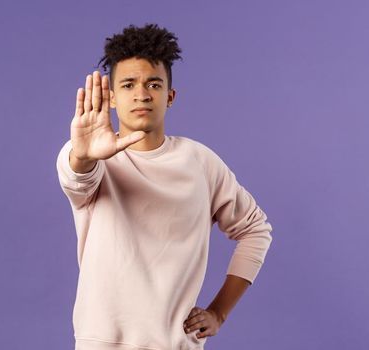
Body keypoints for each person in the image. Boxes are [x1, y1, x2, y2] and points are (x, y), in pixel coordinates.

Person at [56, 23, 273, 350]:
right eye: (128, 84)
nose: (141, 94)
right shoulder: (90, 158)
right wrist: (83, 156)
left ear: (169, 97)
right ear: (112, 98)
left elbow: (256, 229)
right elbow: (77, 177)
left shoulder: (199, 162)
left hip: (176, 344)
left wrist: (219, 313)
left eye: (153, 84)